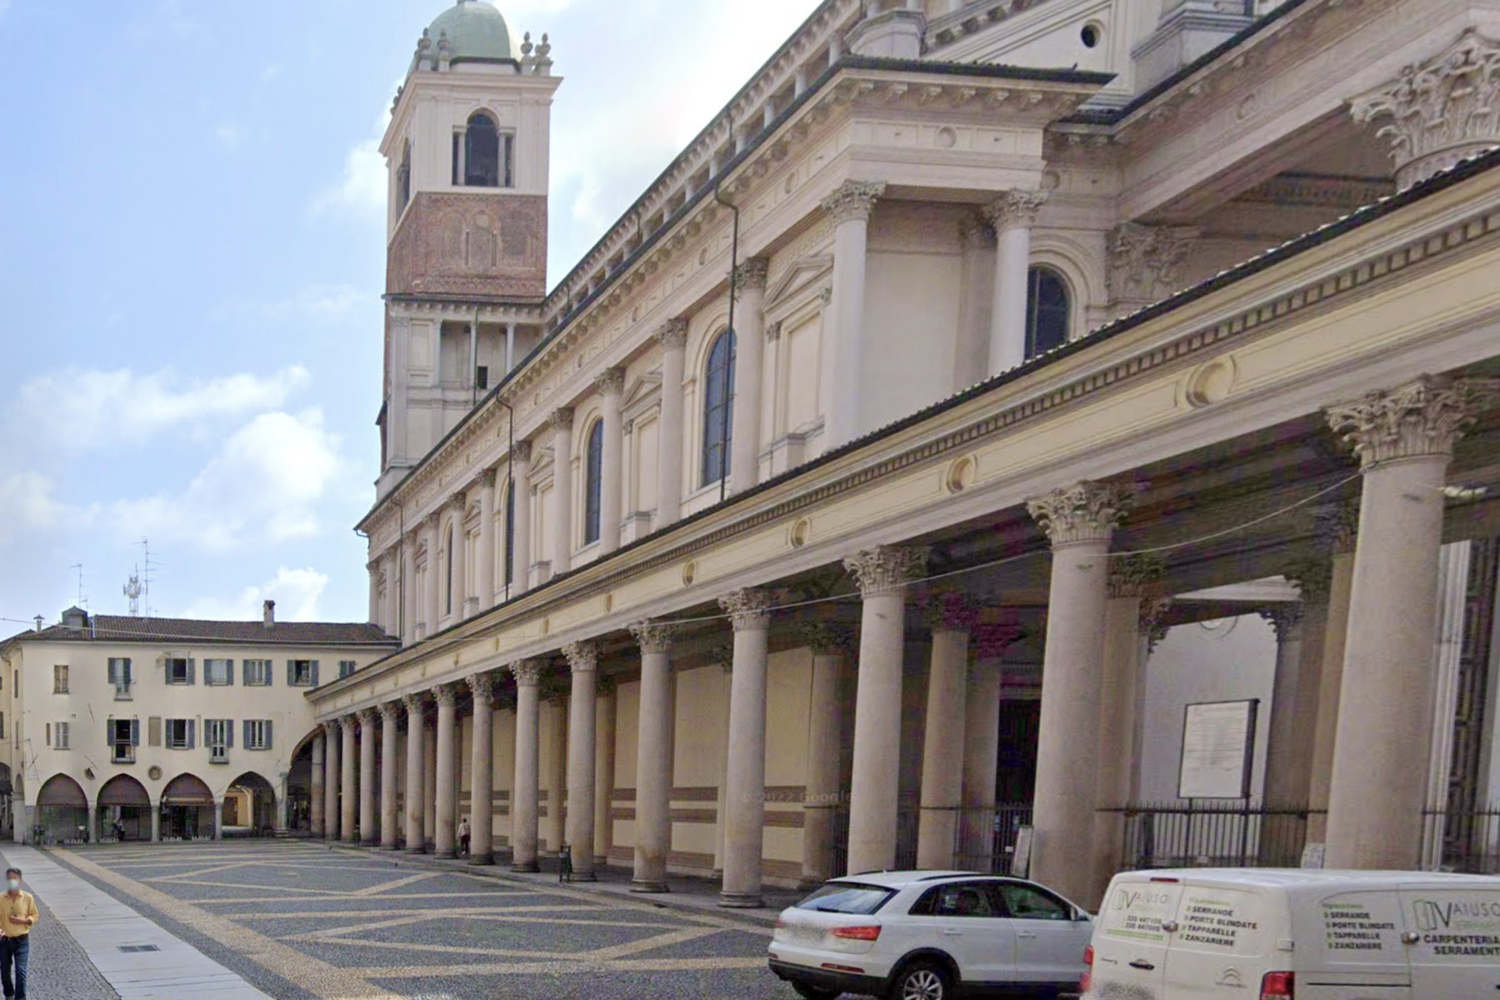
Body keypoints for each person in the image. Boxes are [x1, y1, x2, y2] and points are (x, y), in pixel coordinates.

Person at [0, 867, 38, 1000]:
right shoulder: (1, 898)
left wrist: (25, 920)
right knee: (5, 971)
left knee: (21, 971)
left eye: (14, 878)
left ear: (20, 880)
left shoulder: (28, 898)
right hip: (4, 941)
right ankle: (9, 995)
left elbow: (35, 915)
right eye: (9, 878)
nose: (12, 881)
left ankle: (20, 998)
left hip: (22, 940)